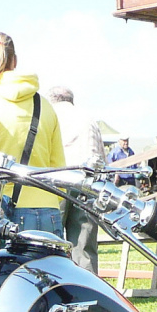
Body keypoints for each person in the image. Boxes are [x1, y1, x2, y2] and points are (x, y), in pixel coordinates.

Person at [0, 31, 65, 237]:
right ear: (14, 60)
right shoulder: (45, 105)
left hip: (1, 210)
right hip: (49, 208)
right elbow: (58, 167)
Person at [47, 85, 104, 272]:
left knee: (52, 242)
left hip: (57, 180)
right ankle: (86, 284)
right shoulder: (89, 119)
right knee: (84, 246)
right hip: (87, 182)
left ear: (52, 100)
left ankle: (54, 280)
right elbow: (100, 156)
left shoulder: (48, 116)